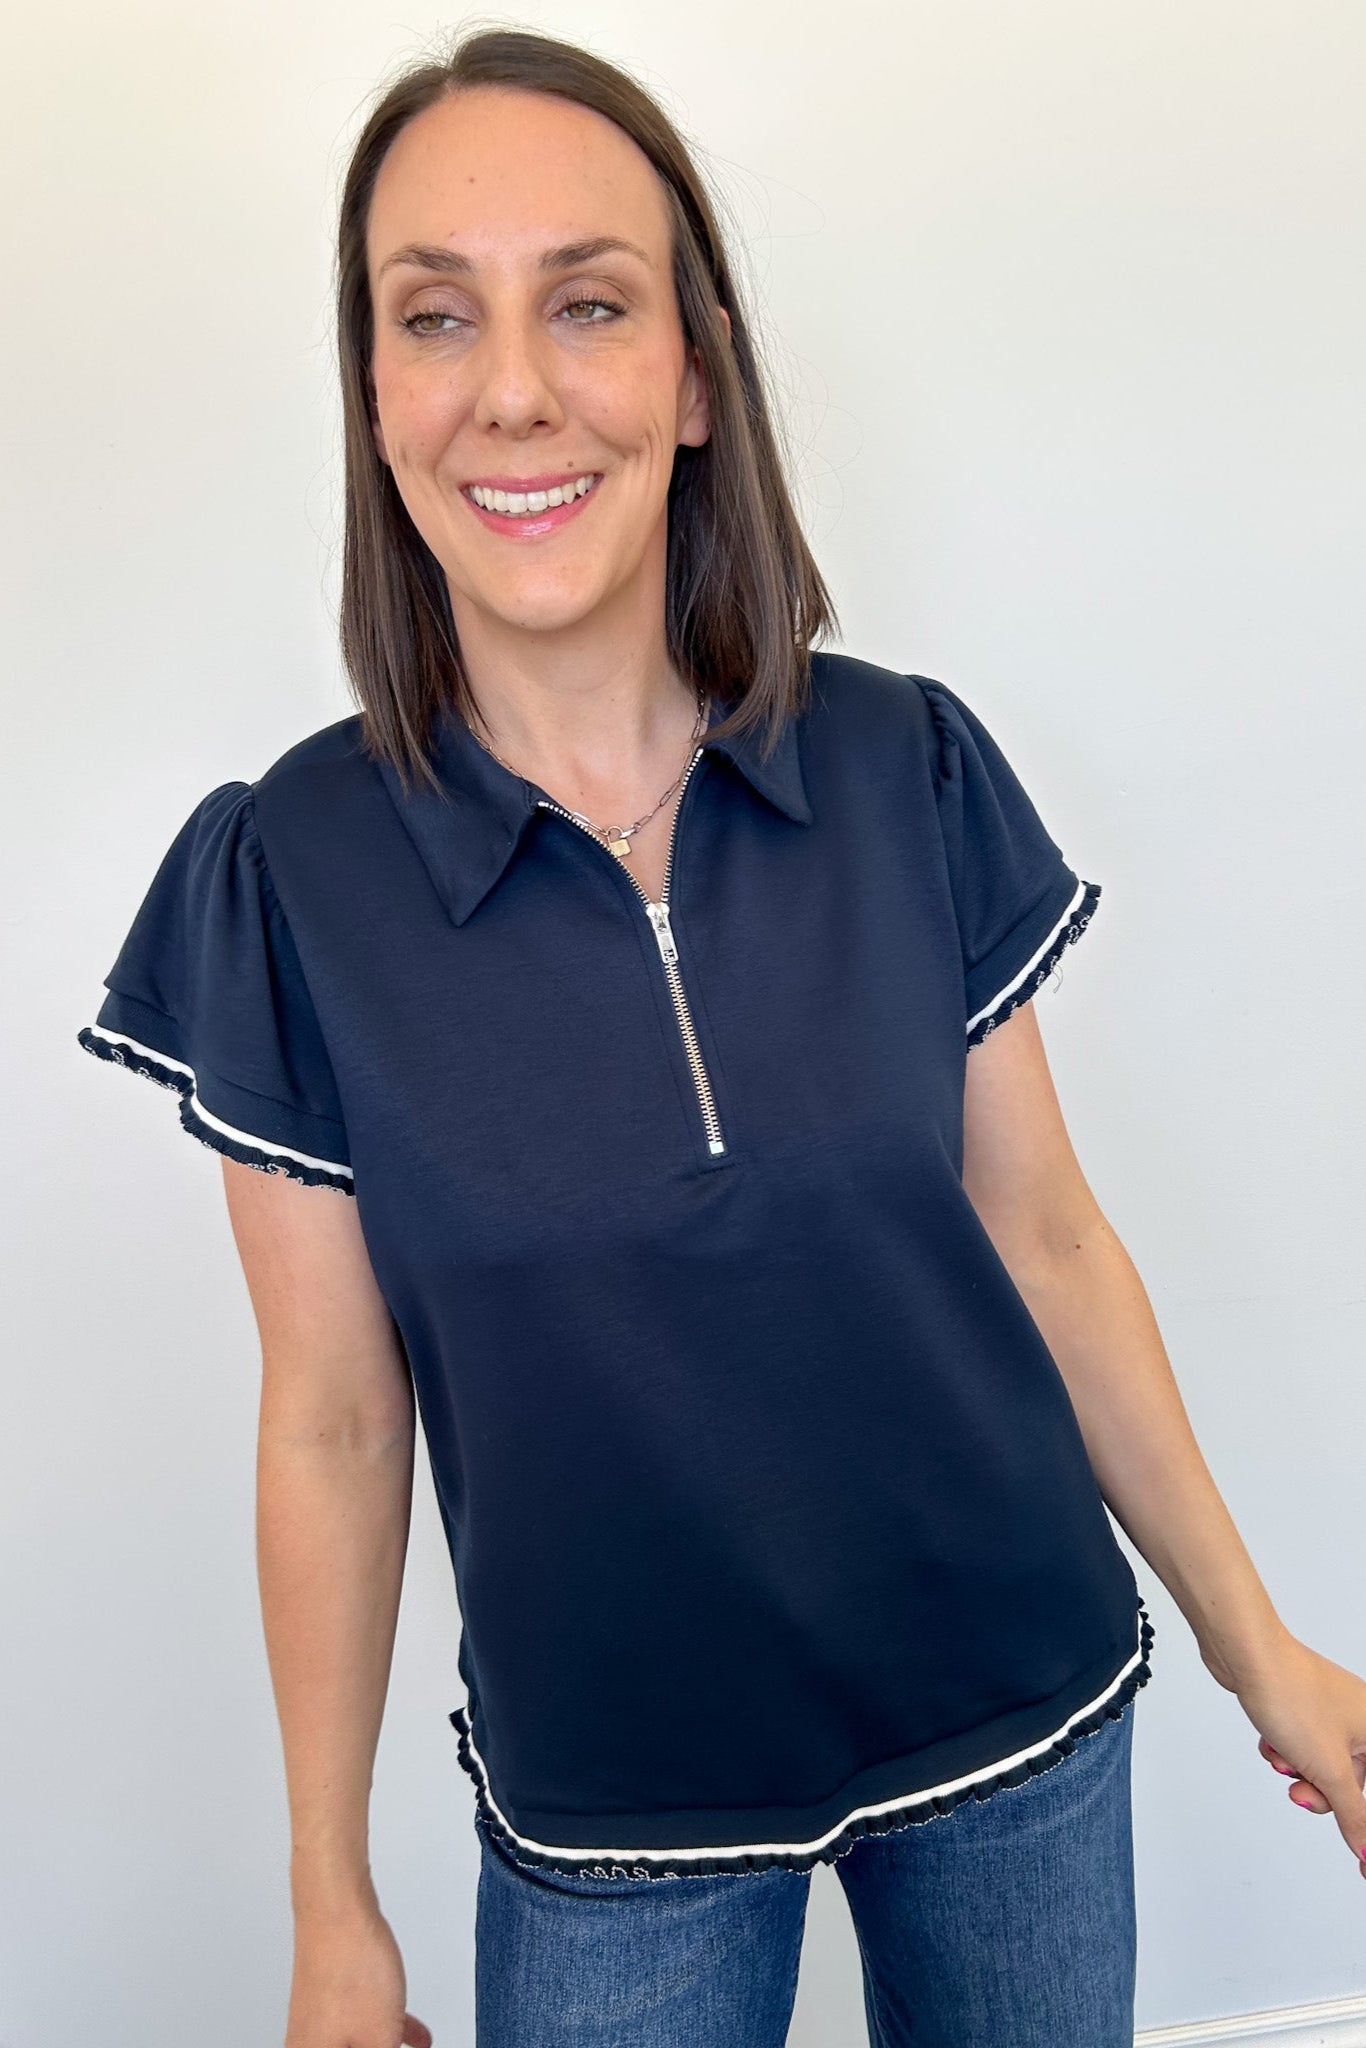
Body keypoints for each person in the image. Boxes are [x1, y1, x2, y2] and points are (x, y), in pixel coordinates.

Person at [75, 28, 1366, 2048]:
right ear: (375, 395)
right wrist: (332, 1906)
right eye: (436, 315)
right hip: (614, 1815)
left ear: (694, 378)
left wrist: (1259, 1650)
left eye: (589, 303)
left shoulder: (907, 765)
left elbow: (1041, 1238)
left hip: (1017, 1732)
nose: (514, 387)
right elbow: (329, 1416)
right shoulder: (282, 879)